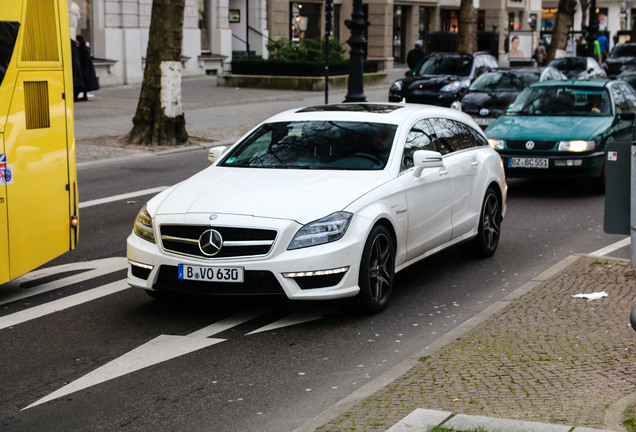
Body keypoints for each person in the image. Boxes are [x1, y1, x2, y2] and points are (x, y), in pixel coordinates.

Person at [76, 35, 100, 101]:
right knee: (85, 83)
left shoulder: (82, 48)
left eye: (77, 40)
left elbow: (83, 59)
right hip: (87, 68)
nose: (76, 41)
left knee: (84, 82)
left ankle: (84, 95)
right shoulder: (85, 48)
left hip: (85, 68)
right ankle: (84, 95)